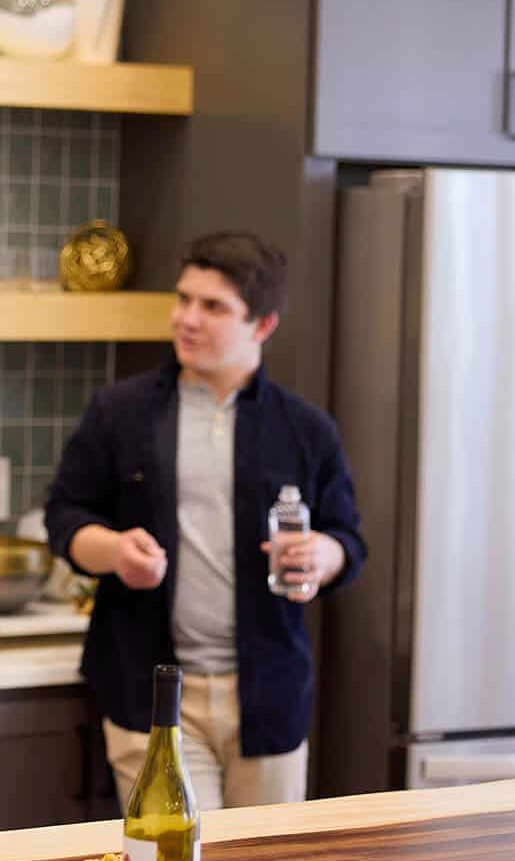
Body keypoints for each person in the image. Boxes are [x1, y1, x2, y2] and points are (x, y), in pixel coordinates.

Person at [45, 232, 365, 811]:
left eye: (213, 307)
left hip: (268, 697)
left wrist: (325, 554)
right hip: (151, 691)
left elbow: (350, 542)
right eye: (183, 299)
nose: (187, 319)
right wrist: (114, 552)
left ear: (262, 326)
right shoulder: (121, 413)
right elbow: (64, 520)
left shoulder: (305, 428)